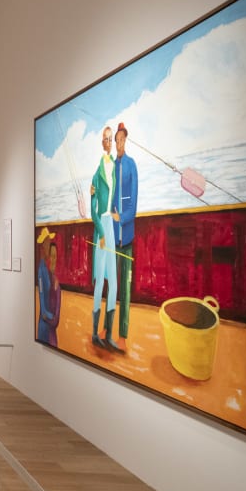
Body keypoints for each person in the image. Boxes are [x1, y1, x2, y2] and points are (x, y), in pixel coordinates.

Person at [90, 126, 120, 352]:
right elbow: (93, 211)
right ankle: (94, 333)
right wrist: (100, 233)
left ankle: (109, 334)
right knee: (100, 280)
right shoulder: (96, 175)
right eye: (106, 139)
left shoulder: (115, 169)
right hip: (102, 226)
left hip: (111, 225)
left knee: (114, 282)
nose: (109, 142)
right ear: (102, 143)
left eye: (111, 139)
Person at [112, 122, 138, 348]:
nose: (119, 143)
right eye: (116, 140)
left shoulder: (131, 165)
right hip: (113, 239)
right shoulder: (112, 167)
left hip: (127, 239)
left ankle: (123, 336)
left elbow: (133, 206)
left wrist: (121, 218)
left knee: (126, 290)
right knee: (112, 286)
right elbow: (109, 199)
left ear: (125, 140)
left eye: (122, 139)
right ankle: (107, 328)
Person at [36, 227, 56, 345]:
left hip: (48, 322)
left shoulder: (46, 268)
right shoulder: (41, 269)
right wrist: (47, 314)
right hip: (44, 323)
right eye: (48, 243)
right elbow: (41, 293)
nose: (49, 246)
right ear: (43, 246)